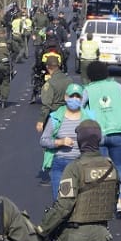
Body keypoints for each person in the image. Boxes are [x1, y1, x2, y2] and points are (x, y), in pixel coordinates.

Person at [83, 61, 121, 218]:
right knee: (118, 167)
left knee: (99, 169)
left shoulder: (88, 89)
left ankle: (100, 202)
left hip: (98, 135)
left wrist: (91, 117)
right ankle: (120, 202)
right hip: (118, 134)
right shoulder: (115, 86)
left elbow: (79, 107)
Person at [39, 83, 97, 202]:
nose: (74, 99)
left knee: (80, 201)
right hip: (61, 164)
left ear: (82, 99)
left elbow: (99, 139)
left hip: (82, 164)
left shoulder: (90, 117)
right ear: (66, 97)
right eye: (72, 96)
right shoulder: (55, 117)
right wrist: (60, 142)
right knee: (60, 201)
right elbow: (43, 140)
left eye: (78, 97)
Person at [34, 54, 73, 183]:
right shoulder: (69, 80)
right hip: (68, 114)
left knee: (50, 143)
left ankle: (50, 170)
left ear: (48, 67)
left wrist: (40, 120)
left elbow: (46, 104)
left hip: (54, 116)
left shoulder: (50, 83)